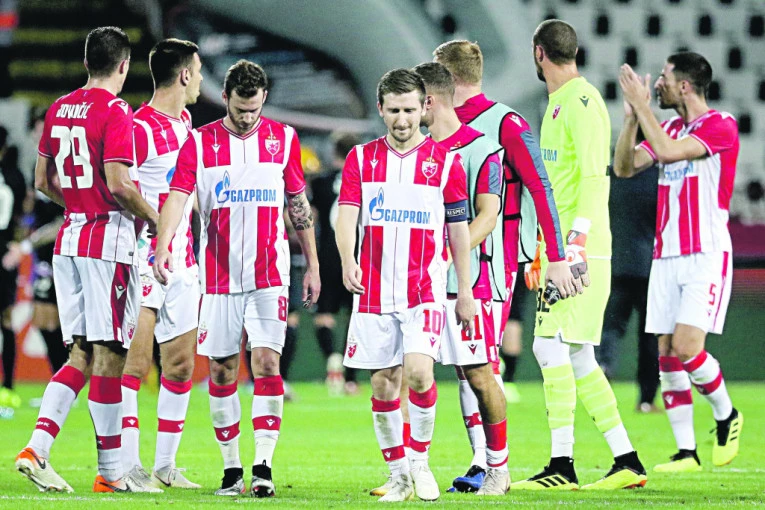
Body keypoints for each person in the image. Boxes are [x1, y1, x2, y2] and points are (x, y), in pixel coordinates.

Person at [153, 59, 320, 498]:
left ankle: (263, 466)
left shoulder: (284, 138)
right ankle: (231, 470)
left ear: (265, 99)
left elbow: (298, 205)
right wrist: (163, 244)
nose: (247, 118)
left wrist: (313, 264)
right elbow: (177, 198)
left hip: (270, 275)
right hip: (218, 278)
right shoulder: (198, 142)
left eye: (254, 109)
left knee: (266, 364)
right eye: (240, 109)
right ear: (225, 98)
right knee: (223, 369)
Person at [15, 26, 160, 494]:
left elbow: (42, 180)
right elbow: (119, 184)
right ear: (124, 66)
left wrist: (78, 204)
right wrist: (156, 219)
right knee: (111, 353)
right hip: (107, 243)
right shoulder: (116, 111)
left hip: (70, 239)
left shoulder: (58, 107)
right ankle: (111, 472)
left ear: (85, 63)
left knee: (81, 351)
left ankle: (36, 449)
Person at [511, 20, 647, 490]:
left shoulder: (582, 102)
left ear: (539, 53)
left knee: (549, 347)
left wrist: (574, 245)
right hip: (561, 250)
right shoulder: (559, 103)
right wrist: (544, 250)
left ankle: (562, 465)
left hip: (579, 252)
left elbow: (594, 177)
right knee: (579, 355)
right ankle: (626, 461)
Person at [433, 39, 574, 491]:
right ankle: (480, 460)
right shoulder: (434, 124)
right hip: (442, 261)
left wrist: (555, 257)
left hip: (490, 263)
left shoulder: (506, 124)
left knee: (479, 365)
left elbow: (541, 187)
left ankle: (492, 464)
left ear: (447, 77)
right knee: (462, 365)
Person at [336, 68, 475, 502]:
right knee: (383, 384)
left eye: (410, 110)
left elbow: (458, 232)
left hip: (424, 291)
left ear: (424, 108)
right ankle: (398, 476)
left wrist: (465, 291)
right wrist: (348, 260)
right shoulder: (361, 158)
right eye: (394, 110)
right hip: (374, 291)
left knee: (418, 373)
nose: (402, 119)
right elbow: (347, 215)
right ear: (381, 109)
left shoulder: (446, 162)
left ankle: (419, 462)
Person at [616, 51, 742, 471]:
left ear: (684, 86)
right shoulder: (667, 126)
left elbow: (669, 153)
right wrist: (632, 118)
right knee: (667, 352)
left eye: (664, 77)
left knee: (688, 347)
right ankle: (686, 451)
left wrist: (643, 107)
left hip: (705, 252)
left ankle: (726, 413)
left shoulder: (720, 125)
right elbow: (625, 167)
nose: (657, 84)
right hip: (666, 254)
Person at [415, 61, 510, 495]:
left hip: (467, 281)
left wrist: (444, 256)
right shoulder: (414, 151)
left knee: (478, 373)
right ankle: (407, 470)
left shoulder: (482, 149)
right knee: (410, 372)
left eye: (413, 103)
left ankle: (498, 469)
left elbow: (488, 215)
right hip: (419, 282)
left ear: (428, 101)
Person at [118, 38, 203, 490]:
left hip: (184, 262)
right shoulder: (138, 128)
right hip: (143, 259)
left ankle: (165, 466)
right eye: (199, 71)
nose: (201, 80)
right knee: (134, 366)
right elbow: (120, 190)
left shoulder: (187, 124)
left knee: (181, 365)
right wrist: (153, 234)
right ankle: (128, 466)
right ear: (185, 74)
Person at [598, 164, 660, 412]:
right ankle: (646, 399)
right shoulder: (657, 178)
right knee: (649, 337)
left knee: (611, 327)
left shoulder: (613, 176)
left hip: (617, 264)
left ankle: (603, 368)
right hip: (650, 267)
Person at [311, 132, 360, 394]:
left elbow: (310, 218)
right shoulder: (366, 181)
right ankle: (350, 378)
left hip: (327, 257)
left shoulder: (321, 182)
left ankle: (332, 356)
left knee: (324, 315)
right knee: (356, 317)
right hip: (358, 258)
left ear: (335, 152)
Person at [2, 191, 69, 377]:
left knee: (59, 324)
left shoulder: (64, 186)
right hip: (43, 262)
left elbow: (62, 223)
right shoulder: (37, 186)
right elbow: (29, 218)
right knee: (43, 321)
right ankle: (62, 378)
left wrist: (26, 246)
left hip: (64, 256)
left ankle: (69, 378)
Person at [0, 128, 26, 409]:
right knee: (6, 320)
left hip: (4, 250)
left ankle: (7, 385)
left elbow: (21, 213)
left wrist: (17, 244)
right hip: (6, 249)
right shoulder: (14, 176)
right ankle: (7, 386)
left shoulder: (13, 177)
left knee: (6, 319)